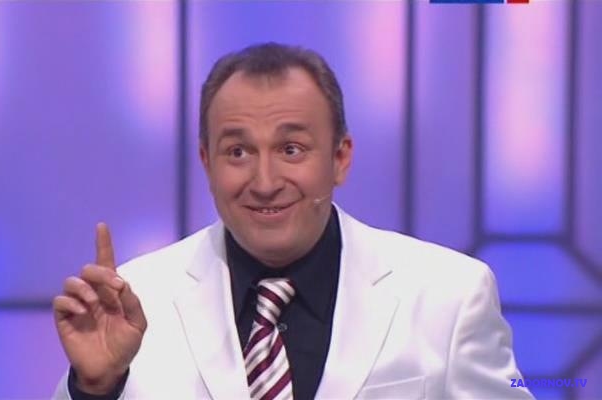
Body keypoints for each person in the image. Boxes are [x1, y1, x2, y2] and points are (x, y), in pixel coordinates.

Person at [53, 43, 533, 399]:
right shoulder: (135, 300)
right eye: (238, 152)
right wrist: (95, 389)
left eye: (291, 149)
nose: (265, 182)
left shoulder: (450, 296)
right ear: (206, 162)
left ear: (340, 158)